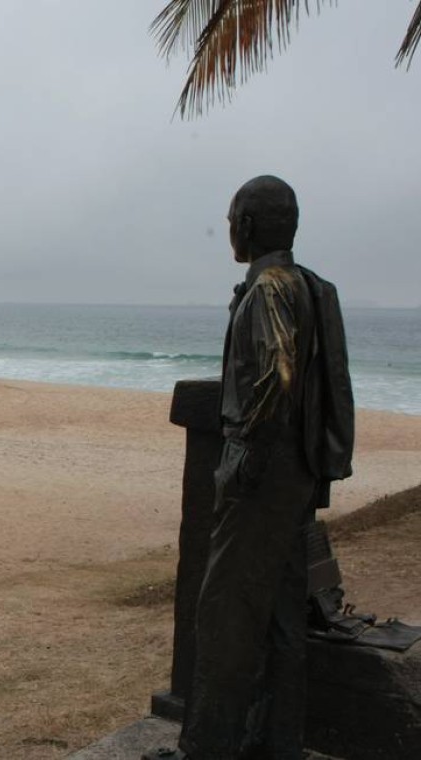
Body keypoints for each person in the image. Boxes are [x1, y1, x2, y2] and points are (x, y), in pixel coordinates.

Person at [153, 176, 354, 760]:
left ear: (244, 226)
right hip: (297, 473)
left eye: (230, 218)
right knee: (282, 614)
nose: (228, 229)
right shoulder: (309, 286)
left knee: (224, 614)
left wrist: (246, 456)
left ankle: (207, 748)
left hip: (262, 476)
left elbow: (279, 377)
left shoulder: (268, 288)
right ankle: (276, 740)